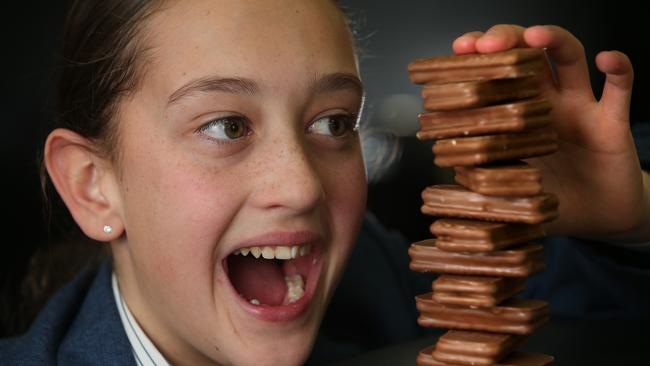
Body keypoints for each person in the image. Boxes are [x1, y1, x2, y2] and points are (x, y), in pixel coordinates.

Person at [0, 1, 648, 365]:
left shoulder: (377, 278)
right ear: (93, 186)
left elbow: (585, 318)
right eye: (227, 126)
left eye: (332, 122)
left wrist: (625, 223)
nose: (302, 185)